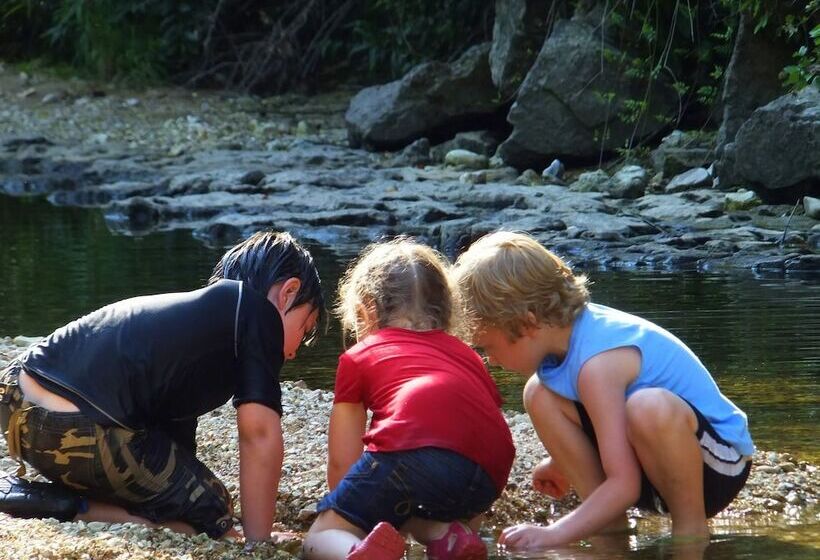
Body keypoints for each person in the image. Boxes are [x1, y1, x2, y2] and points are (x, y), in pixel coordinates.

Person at [0, 231, 324, 544]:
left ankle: (50, 502)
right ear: (288, 292)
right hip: (73, 419)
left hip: (16, 399)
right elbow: (259, 434)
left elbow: (173, 452)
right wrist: (259, 539)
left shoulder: (200, 328)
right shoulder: (258, 312)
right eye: (305, 328)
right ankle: (68, 508)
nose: (295, 351)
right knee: (212, 508)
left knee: (190, 508)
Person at [451, 231, 754, 551]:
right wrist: (562, 462)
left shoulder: (598, 362)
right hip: (654, 467)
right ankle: (609, 533)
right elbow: (604, 419)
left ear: (527, 324)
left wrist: (554, 535)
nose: (491, 360)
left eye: (488, 347)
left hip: (718, 469)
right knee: (538, 393)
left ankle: (690, 534)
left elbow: (625, 483)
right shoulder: (562, 352)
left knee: (647, 406)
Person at [302, 238, 515, 560]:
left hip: (413, 455)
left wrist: (347, 512)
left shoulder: (361, 355)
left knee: (320, 538)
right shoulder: (468, 356)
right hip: (491, 470)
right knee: (409, 497)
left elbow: (343, 462)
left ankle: (355, 552)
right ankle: (447, 536)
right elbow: (480, 426)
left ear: (366, 311)